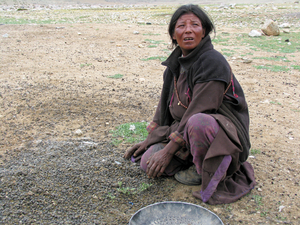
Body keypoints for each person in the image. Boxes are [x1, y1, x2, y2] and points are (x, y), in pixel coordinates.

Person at [124, 4, 255, 205]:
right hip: (185, 133)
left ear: (204, 32)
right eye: (181, 26)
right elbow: (163, 109)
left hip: (221, 134)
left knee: (198, 122)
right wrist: (149, 140)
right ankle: (192, 157)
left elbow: (202, 108)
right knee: (147, 162)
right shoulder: (174, 67)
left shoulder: (212, 61)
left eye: (195, 25)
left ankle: (210, 166)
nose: (188, 30)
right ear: (173, 34)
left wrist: (168, 152)